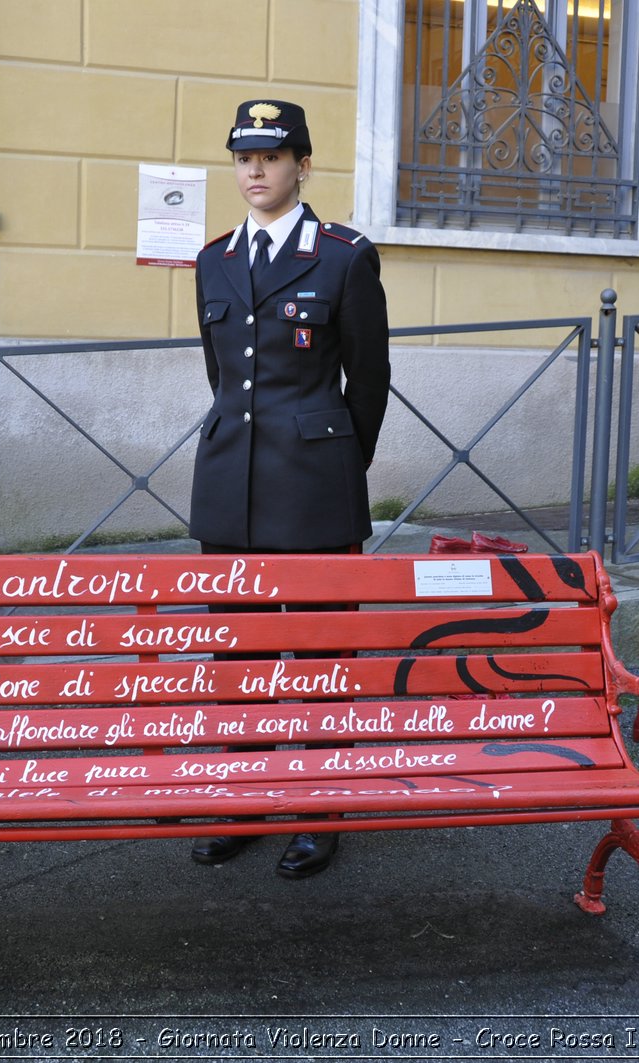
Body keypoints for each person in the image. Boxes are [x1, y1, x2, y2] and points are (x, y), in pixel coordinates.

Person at [186, 99, 391, 879]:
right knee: (238, 655)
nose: (255, 172)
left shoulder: (342, 256)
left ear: (303, 165)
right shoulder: (214, 259)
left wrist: (342, 464)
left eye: (271, 158)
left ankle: (319, 806)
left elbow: (368, 379)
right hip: (229, 488)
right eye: (243, 158)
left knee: (320, 655)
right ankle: (243, 798)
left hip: (314, 490)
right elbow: (223, 377)